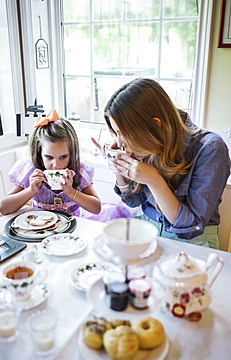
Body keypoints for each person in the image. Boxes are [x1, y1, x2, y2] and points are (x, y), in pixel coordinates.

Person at [92, 78, 230, 248]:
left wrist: (154, 180)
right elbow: (133, 201)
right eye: (116, 133)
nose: (120, 143)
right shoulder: (146, 145)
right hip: (146, 229)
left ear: (155, 125)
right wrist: (117, 167)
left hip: (193, 242)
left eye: (124, 133)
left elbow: (190, 229)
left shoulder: (210, 148)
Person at [0, 110, 130, 221]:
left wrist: (71, 191)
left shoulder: (78, 170)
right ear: (40, 154)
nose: (56, 165)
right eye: (49, 157)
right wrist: (31, 190)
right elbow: (4, 208)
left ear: (71, 154)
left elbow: (96, 208)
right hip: (41, 225)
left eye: (63, 157)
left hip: (73, 224)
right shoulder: (31, 170)